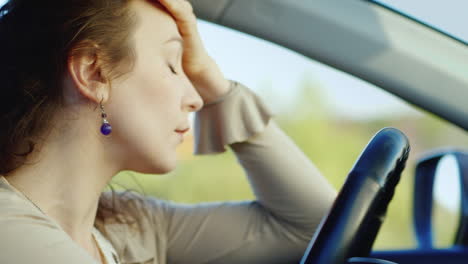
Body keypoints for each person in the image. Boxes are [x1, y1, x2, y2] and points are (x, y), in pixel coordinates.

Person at [0, 0, 336, 263]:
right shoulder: (8, 232)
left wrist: (213, 81)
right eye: (174, 64)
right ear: (92, 73)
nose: (195, 98)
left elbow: (315, 227)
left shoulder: (126, 227)